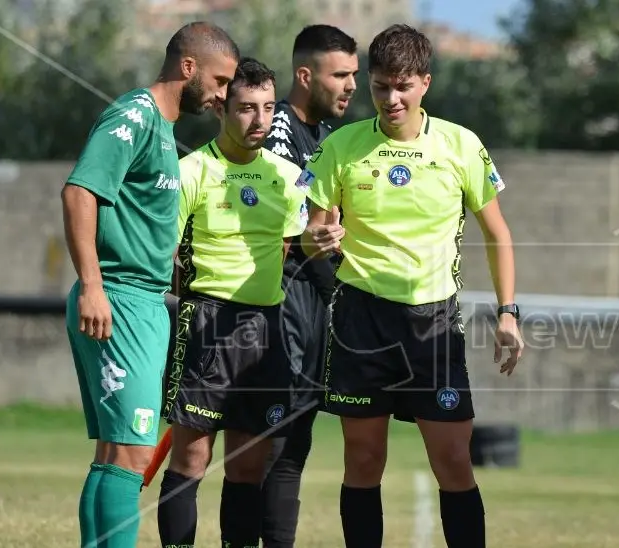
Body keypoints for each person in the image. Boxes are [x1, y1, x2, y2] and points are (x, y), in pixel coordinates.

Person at [300, 24, 525, 548]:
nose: (391, 98)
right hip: (360, 318)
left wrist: (508, 313)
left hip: (433, 323)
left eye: (402, 86)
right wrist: (320, 236)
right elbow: (313, 235)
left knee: (452, 460)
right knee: (363, 460)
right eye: (380, 86)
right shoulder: (343, 147)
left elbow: (499, 233)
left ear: (425, 82)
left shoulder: (461, 144)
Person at [61, 21, 237, 548]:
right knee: (134, 455)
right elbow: (78, 194)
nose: (224, 94)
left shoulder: (163, 127)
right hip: (119, 300)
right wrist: (92, 285)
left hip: (139, 304)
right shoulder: (134, 115)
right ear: (188, 68)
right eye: (221, 80)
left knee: (115, 454)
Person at [155, 57, 308, 548]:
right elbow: (168, 255)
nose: (259, 119)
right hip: (203, 323)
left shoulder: (288, 177)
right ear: (223, 107)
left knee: (248, 466)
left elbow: (286, 249)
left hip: (266, 330)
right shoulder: (192, 170)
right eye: (246, 108)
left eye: (266, 107)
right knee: (192, 461)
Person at [258, 24, 359, 548]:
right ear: (305, 74)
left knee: (294, 442)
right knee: (275, 442)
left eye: (354, 76)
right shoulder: (278, 130)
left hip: (314, 304)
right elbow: (295, 230)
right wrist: (345, 289)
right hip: (283, 302)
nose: (350, 87)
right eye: (339, 74)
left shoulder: (328, 140)